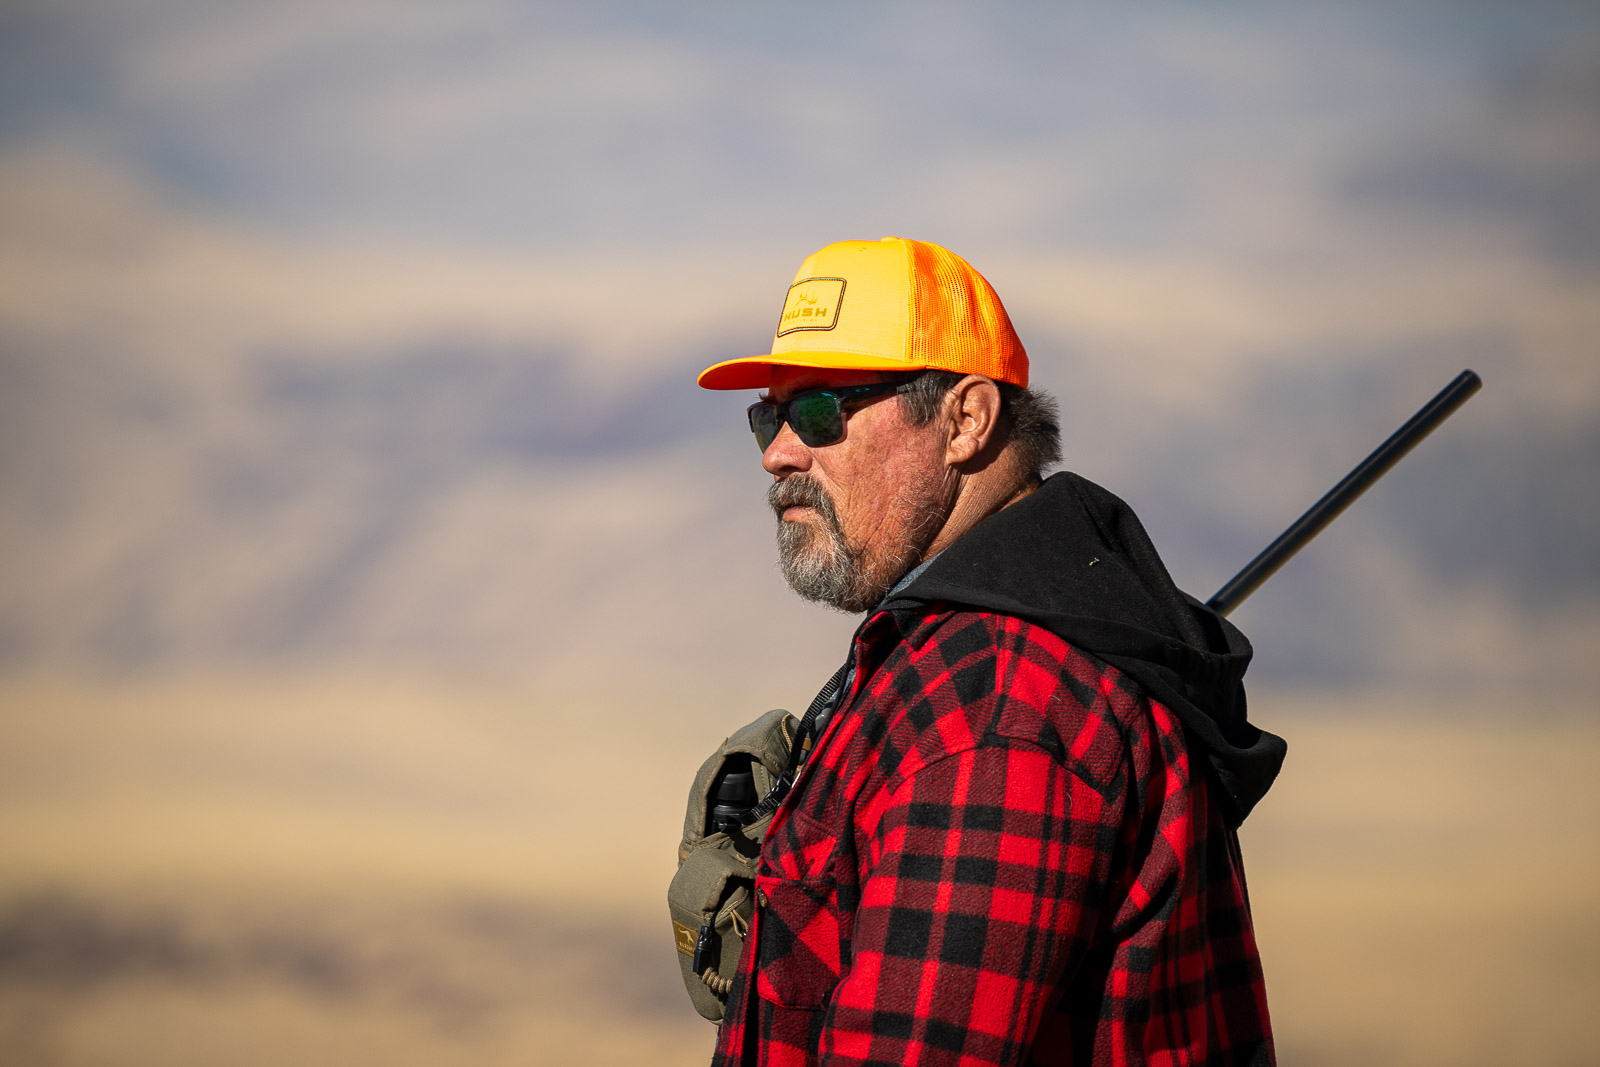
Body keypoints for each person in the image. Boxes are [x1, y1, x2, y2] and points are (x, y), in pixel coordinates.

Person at [695, 236, 1285, 1066]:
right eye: (771, 413)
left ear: (965, 420)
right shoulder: (974, 659)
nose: (778, 451)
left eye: (822, 410)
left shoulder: (1000, 710)